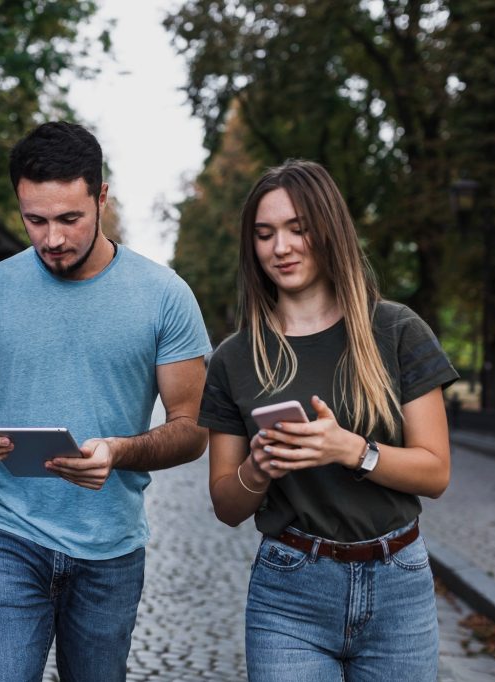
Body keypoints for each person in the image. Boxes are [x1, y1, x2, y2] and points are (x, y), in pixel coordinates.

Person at [0, 121, 211, 681]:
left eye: (69, 219)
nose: (52, 238)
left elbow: (192, 429)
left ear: (101, 197)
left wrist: (119, 452)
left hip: (111, 549)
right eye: (35, 220)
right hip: (7, 536)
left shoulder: (164, 296)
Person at [200, 159, 458, 681]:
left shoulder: (397, 330)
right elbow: (227, 506)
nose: (281, 247)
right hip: (289, 592)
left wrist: (351, 450)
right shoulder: (234, 358)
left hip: (399, 587)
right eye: (265, 234)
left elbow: (435, 473)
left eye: (298, 229)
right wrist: (257, 468)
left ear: (329, 230)